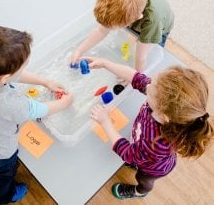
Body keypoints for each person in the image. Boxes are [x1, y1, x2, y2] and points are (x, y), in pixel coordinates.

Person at [0, 26, 73, 205]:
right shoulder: (8, 103)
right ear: (4, 77)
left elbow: (15, 76)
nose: (23, 70)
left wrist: (45, 82)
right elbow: (39, 110)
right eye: (22, 66)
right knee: (4, 178)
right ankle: (0, 198)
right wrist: (64, 103)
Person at [84, 56, 214, 200]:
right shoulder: (164, 104)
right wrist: (105, 62)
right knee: (139, 158)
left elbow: (128, 153)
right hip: (143, 151)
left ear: (163, 115)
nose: (148, 83)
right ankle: (139, 165)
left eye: (152, 86)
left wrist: (105, 122)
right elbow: (135, 77)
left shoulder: (155, 143)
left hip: (152, 169)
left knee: (143, 179)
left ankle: (140, 192)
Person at [71, 0, 174, 72]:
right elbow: (101, 31)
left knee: (147, 52)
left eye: (114, 27)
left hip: (160, 27)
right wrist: (79, 51)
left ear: (137, 18)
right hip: (141, 14)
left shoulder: (152, 22)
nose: (109, 28)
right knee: (132, 45)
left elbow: (141, 57)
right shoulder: (125, 6)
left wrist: (135, 77)